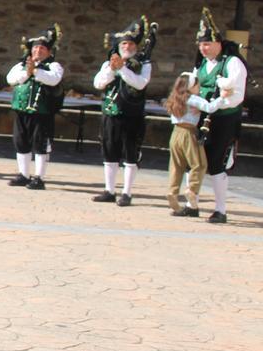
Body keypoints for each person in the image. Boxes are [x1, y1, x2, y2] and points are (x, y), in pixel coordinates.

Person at [191, 8, 247, 224]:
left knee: (216, 163)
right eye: (200, 44)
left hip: (224, 119)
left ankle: (220, 210)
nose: (203, 48)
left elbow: (237, 96)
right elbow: (192, 86)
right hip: (201, 116)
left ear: (218, 43)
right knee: (193, 160)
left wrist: (216, 104)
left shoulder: (232, 63)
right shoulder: (201, 64)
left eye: (207, 44)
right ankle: (191, 204)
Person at [91, 17, 153, 206]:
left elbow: (140, 83)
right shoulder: (108, 63)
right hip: (111, 114)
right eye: (124, 43)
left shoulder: (144, 64)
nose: (127, 46)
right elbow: (98, 83)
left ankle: (127, 193)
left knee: (130, 155)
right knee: (109, 152)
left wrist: (123, 69)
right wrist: (112, 69)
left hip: (132, 116)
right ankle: (109, 190)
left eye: (131, 44)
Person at [6, 25, 64, 190]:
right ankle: (24, 175)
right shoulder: (21, 65)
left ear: (49, 51)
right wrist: (27, 72)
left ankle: (39, 178)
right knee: (21, 142)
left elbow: (53, 79)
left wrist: (36, 72)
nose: (38, 50)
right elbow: (11, 79)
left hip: (42, 112)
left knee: (40, 144)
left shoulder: (54, 66)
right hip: (22, 110)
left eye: (42, 48)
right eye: (36, 47)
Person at [164, 73, 222, 217]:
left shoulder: (174, 98)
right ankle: (192, 189)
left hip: (175, 134)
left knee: (176, 166)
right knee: (199, 164)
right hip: (188, 133)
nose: (199, 87)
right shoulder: (192, 98)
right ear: (190, 87)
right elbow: (210, 107)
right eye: (197, 85)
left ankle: (172, 191)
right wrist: (223, 97)